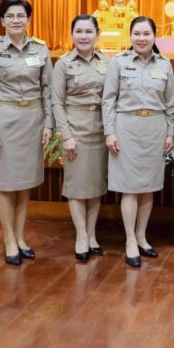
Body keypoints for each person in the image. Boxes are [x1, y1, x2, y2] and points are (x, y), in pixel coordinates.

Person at [0, 0, 53, 266]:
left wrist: (49, 124)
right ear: (2, 20)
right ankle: (8, 238)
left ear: (28, 19)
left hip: (33, 120)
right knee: (6, 183)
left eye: (21, 15)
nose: (16, 20)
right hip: (5, 120)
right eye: (10, 16)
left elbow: (48, 90)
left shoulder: (40, 49)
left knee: (25, 182)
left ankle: (20, 237)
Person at [102, 16, 174, 268]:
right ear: (130, 36)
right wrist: (110, 132)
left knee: (148, 186)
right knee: (130, 187)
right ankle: (130, 240)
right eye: (137, 34)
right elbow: (108, 100)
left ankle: (142, 236)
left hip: (155, 129)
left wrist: (170, 133)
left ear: (154, 37)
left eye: (146, 34)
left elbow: (172, 103)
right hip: (127, 128)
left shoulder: (164, 64)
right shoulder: (118, 62)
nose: (141, 38)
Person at [52, 14, 111, 263]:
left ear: (97, 34)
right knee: (76, 186)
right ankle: (81, 236)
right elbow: (57, 102)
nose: (84, 36)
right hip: (75, 129)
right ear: (72, 34)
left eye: (89, 31)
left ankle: (92, 234)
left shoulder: (108, 62)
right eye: (79, 31)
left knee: (95, 185)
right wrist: (66, 136)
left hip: (100, 128)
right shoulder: (64, 64)